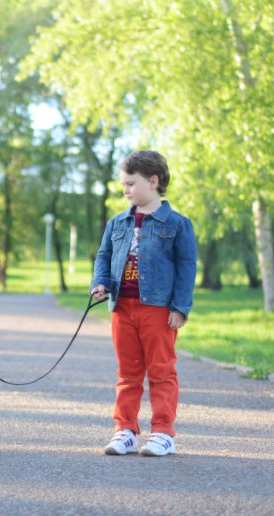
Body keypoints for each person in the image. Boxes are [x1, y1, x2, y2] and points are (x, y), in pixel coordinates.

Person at [90, 150, 197, 457]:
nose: (125, 190)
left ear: (153, 182)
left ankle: (163, 433)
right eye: (123, 184)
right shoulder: (117, 223)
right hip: (122, 307)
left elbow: (187, 266)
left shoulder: (177, 224)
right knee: (128, 372)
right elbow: (104, 256)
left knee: (161, 371)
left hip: (158, 309)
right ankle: (125, 430)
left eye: (130, 183)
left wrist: (180, 306)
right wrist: (101, 282)